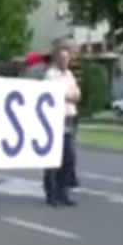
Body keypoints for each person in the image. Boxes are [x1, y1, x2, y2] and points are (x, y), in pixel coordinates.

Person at [43, 40, 80, 207]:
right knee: (53, 158)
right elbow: (54, 94)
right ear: (56, 59)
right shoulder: (51, 75)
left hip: (69, 118)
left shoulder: (70, 75)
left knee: (69, 157)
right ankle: (51, 193)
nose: (66, 62)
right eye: (62, 59)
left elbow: (77, 95)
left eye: (68, 59)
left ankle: (64, 191)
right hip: (54, 120)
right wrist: (66, 95)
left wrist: (67, 95)